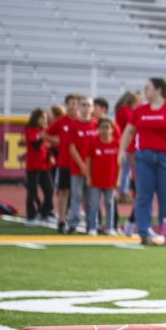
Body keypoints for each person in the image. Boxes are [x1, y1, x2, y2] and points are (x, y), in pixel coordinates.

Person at [118, 78, 166, 245]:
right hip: (143, 158)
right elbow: (128, 131)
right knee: (143, 196)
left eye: (147, 88)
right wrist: (122, 150)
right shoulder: (140, 110)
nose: (145, 92)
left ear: (158, 90)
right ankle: (144, 232)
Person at [65, 97, 105, 234]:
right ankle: (73, 224)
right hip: (78, 168)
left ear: (93, 108)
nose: (86, 108)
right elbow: (71, 147)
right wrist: (82, 165)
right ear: (79, 107)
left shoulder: (96, 125)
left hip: (94, 170)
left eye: (89, 105)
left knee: (92, 199)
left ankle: (92, 224)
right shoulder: (74, 125)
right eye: (83, 105)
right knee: (76, 197)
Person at [44, 94, 81, 233]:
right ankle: (61, 220)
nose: (72, 106)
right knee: (63, 192)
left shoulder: (83, 121)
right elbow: (45, 134)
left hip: (80, 164)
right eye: (70, 103)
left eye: (75, 103)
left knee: (79, 193)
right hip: (65, 162)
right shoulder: (61, 121)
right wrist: (59, 142)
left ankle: (76, 220)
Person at [85, 118, 121, 236]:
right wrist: (88, 176)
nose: (105, 130)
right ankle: (92, 227)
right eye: (102, 127)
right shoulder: (93, 142)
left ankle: (110, 227)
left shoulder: (117, 143)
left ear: (112, 130)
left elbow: (120, 163)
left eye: (107, 127)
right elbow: (89, 160)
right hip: (96, 179)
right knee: (94, 204)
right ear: (98, 129)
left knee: (109, 203)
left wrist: (118, 178)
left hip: (110, 180)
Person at [22, 108, 54, 227]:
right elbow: (35, 145)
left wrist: (51, 156)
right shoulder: (30, 130)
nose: (44, 120)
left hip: (44, 166)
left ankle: (44, 213)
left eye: (45, 118)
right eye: (42, 118)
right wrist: (43, 136)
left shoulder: (44, 131)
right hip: (33, 166)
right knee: (32, 191)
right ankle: (30, 216)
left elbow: (48, 147)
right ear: (36, 119)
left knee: (49, 189)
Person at [114, 90, 140, 207]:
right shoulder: (126, 111)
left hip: (125, 142)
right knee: (126, 170)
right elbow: (131, 127)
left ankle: (123, 191)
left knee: (125, 169)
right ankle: (123, 192)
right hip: (127, 143)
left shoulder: (121, 110)